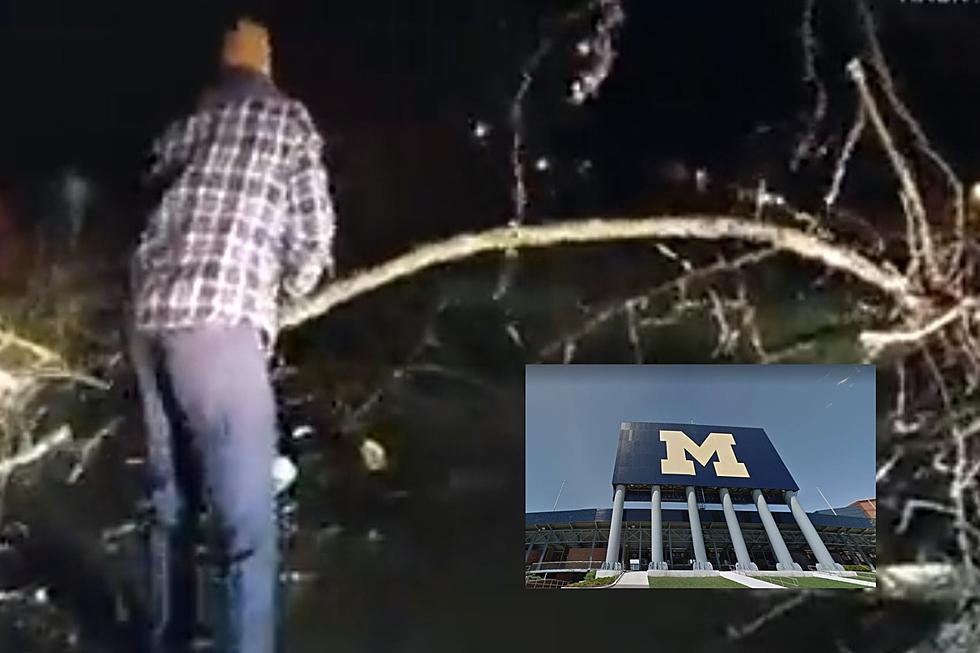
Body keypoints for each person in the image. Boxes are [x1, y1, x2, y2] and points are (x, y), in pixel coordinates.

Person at [128, 16, 335, 653]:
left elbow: (150, 213)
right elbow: (311, 238)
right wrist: (290, 292)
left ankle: (170, 639)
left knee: (173, 506)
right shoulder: (289, 123)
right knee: (247, 529)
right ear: (267, 68)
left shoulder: (186, 125)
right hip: (217, 333)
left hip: (148, 323)